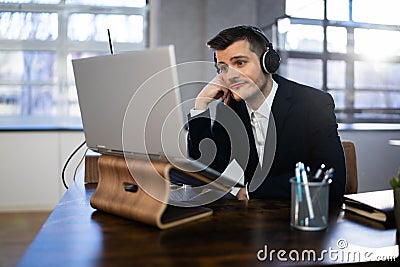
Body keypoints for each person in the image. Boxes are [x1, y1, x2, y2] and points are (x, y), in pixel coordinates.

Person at [187, 25, 346, 202]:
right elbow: (206, 177)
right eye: (223, 68)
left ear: (268, 62)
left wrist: (249, 192)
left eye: (240, 63)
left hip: (301, 218)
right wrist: (200, 106)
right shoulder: (228, 109)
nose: (230, 76)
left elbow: (333, 182)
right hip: (248, 222)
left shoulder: (313, 103)